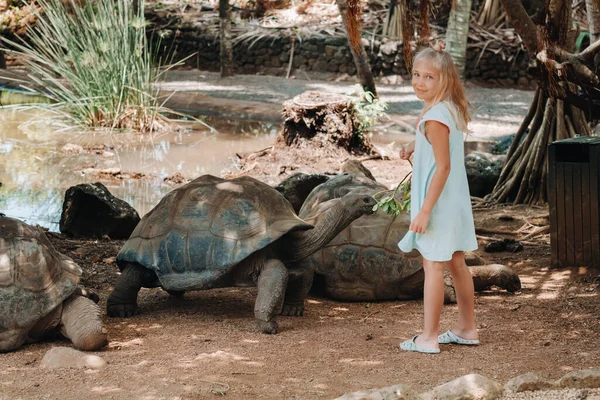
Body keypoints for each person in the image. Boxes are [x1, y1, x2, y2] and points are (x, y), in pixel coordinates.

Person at [397, 41, 480, 354]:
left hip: (439, 204)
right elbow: (437, 144)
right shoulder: (446, 109)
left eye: (428, 77)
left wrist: (424, 211)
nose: (419, 82)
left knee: (433, 266)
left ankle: (428, 337)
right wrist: (414, 145)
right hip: (454, 203)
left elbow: (442, 167)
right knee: (457, 263)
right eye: (416, 75)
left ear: (444, 80)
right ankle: (467, 328)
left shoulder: (434, 117)